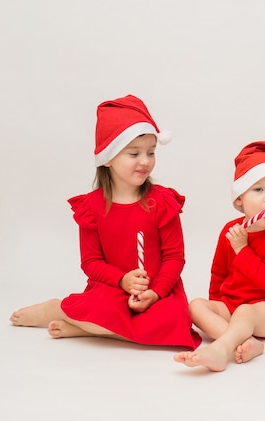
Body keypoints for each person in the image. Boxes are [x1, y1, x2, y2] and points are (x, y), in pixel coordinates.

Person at [10, 94, 201, 350]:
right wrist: (123, 281)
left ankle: (83, 329)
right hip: (112, 289)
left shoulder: (163, 201)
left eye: (151, 152)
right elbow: (91, 262)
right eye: (134, 153)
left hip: (158, 290)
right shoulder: (92, 207)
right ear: (108, 158)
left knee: (176, 322)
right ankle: (55, 309)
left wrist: (154, 292)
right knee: (102, 310)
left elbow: (175, 257)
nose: (145, 161)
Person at [174, 140, 265, 371]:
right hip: (233, 305)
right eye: (258, 189)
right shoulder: (229, 230)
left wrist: (242, 248)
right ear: (240, 199)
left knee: (245, 311)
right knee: (195, 306)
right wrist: (216, 304)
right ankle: (247, 342)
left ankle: (221, 349)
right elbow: (219, 273)